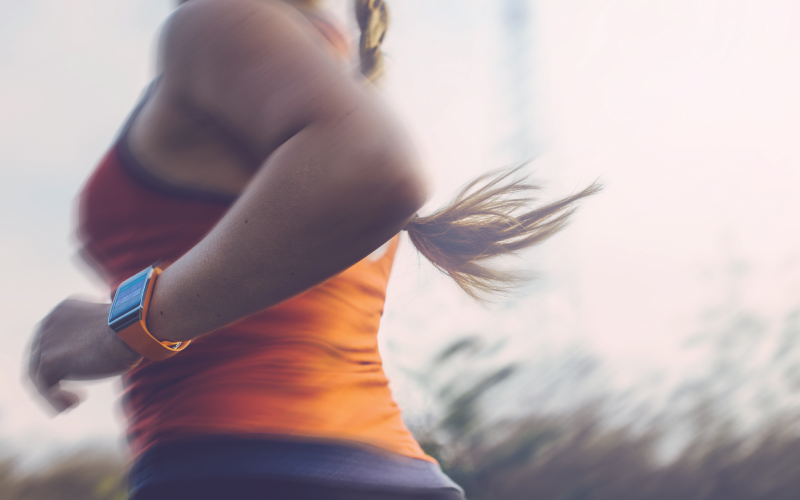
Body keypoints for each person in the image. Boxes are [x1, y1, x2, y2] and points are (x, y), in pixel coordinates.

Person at [26, 0, 599, 498]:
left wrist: (120, 331)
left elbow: (373, 164)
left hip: (248, 476)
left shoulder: (216, 23)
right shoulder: (318, 57)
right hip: (362, 470)